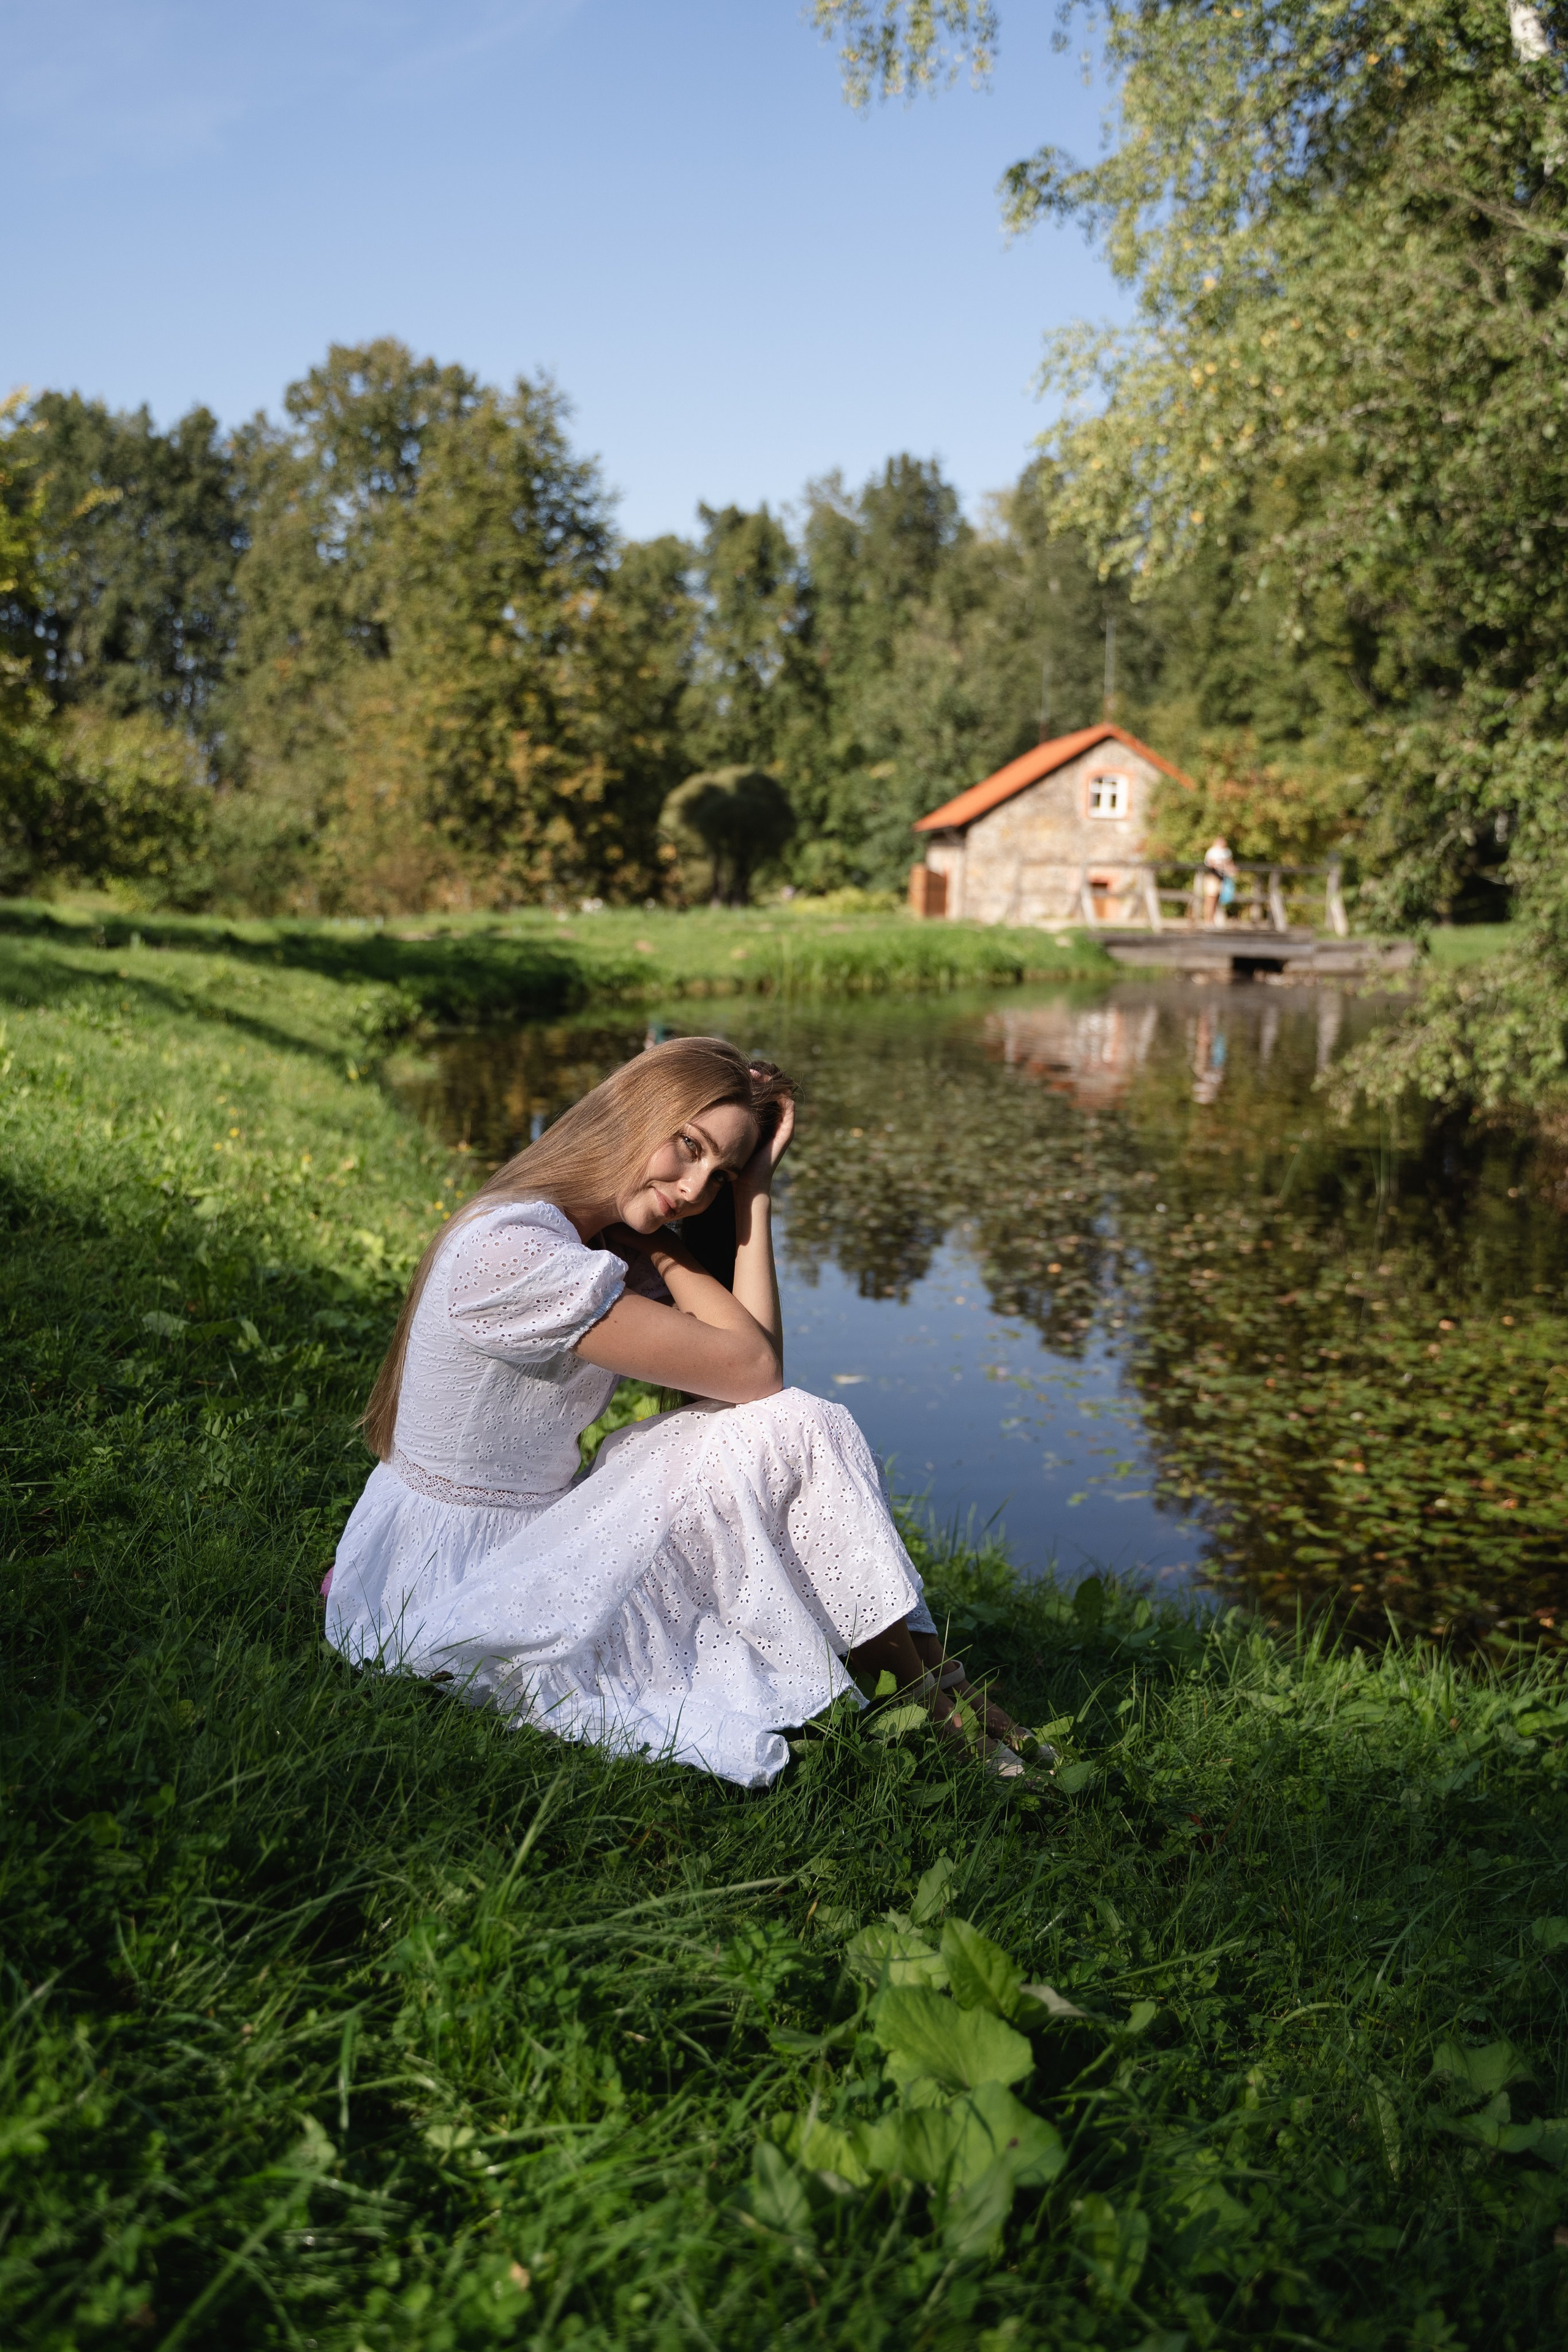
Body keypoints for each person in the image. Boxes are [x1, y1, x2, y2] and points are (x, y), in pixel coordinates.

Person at [324, 1035, 1027, 1787]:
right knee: (797, 1427)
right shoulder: (520, 1253)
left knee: (790, 1431)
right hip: (456, 1572)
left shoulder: (580, 1242)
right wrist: (664, 1252)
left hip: (522, 1535)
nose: (696, 1190)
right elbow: (754, 1374)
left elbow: (750, 1376)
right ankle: (928, 1701)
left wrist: (752, 1194)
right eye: (687, 1147)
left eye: (717, 1175)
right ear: (632, 1111)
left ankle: (930, 1687)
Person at [1202, 834, 1236, 925]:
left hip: (1222, 878)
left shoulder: (1226, 852)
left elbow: (1230, 863)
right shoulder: (1212, 851)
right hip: (1213, 878)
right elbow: (1210, 863)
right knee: (1210, 899)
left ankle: (1212, 920)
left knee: (1217, 900)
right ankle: (1208, 920)